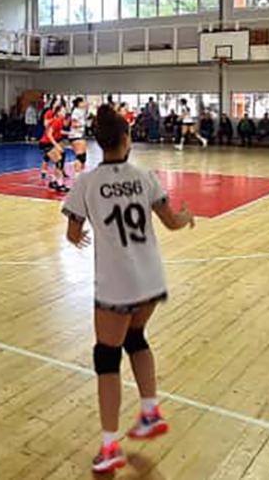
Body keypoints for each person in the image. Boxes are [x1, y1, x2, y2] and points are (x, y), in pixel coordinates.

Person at [61, 104, 195, 474]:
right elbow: (172, 221)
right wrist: (187, 216)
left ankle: (109, 447)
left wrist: (85, 236)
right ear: (126, 139)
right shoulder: (145, 176)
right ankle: (150, 411)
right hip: (150, 280)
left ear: (101, 142)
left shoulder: (86, 183)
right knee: (136, 338)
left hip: (117, 284)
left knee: (106, 358)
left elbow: (72, 234)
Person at [42, 102, 70, 192]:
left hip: (51, 143)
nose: (64, 112)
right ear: (58, 112)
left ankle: (53, 181)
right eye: (63, 111)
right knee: (59, 161)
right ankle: (60, 184)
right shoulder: (57, 120)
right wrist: (57, 146)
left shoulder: (61, 121)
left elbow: (60, 132)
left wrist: (71, 134)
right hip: (46, 143)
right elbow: (49, 134)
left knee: (61, 158)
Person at [68, 97, 89, 179]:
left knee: (83, 156)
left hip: (80, 135)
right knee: (80, 156)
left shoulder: (81, 111)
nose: (85, 103)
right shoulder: (76, 111)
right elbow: (73, 124)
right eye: (83, 102)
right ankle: (77, 177)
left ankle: (80, 175)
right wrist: (82, 125)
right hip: (75, 135)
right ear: (79, 103)